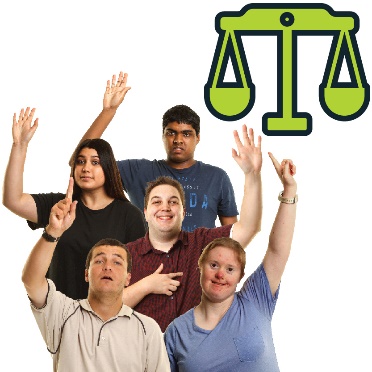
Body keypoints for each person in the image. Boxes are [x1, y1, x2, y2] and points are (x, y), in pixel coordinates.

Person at [120, 124, 263, 332]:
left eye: (173, 202)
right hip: (144, 360)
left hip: (197, 358)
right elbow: (106, 309)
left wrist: (252, 175)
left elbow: (248, 228)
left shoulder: (202, 243)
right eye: (157, 202)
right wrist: (146, 285)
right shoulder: (126, 255)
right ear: (145, 212)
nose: (165, 208)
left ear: (184, 211)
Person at [163, 153, 298, 372]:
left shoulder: (255, 300)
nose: (220, 275)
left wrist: (289, 191)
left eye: (230, 269)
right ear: (201, 266)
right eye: (214, 265)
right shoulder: (177, 332)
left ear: (240, 276)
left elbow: (277, 250)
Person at [22, 180, 170, 372]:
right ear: (86, 274)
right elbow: (31, 281)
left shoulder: (147, 329)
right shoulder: (63, 314)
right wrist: (53, 231)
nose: (108, 266)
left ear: (128, 278)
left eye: (117, 262)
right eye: (99, 260)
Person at [3, 107, 146, 299]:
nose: (86, 168)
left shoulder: (129, 216)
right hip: (59, 315)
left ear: (108, 168)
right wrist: (19, 146)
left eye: (95, 162)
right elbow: (13, 200)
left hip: (106, 318)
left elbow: (138, 276)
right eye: (80, 161)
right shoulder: (59, 206)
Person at [77, 71, 239, 232]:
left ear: (198, 138)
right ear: (163, 136)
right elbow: (81, 160)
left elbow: (232, 235)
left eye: (186, 134)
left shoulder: (216, 177)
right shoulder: (138, 171)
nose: (178, 140)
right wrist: (108, 111)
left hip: (201, 258)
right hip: (147, 257)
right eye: (171, 132)